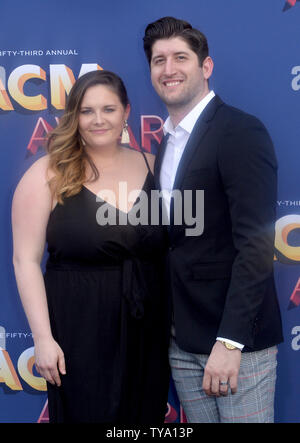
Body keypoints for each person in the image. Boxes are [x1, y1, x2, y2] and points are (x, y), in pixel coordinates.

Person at [143, 16, 283, 423]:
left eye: (180, 57)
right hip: (182, 342)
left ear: (205, 67)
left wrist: (231, 341)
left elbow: (256, 244)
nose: (169, 69)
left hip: (236, 345)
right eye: (158, 60)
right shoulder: (166, 142)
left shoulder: (239, 131)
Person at [12, 70, 170, 423]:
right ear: (74, 117)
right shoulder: (47, 174)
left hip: (147, 329)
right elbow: (25, 260)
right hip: (76, 331)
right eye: (87, 111)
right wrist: (43, 339)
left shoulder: (154, 166)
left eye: (109, 109)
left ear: (126, 112)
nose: (99, 120)